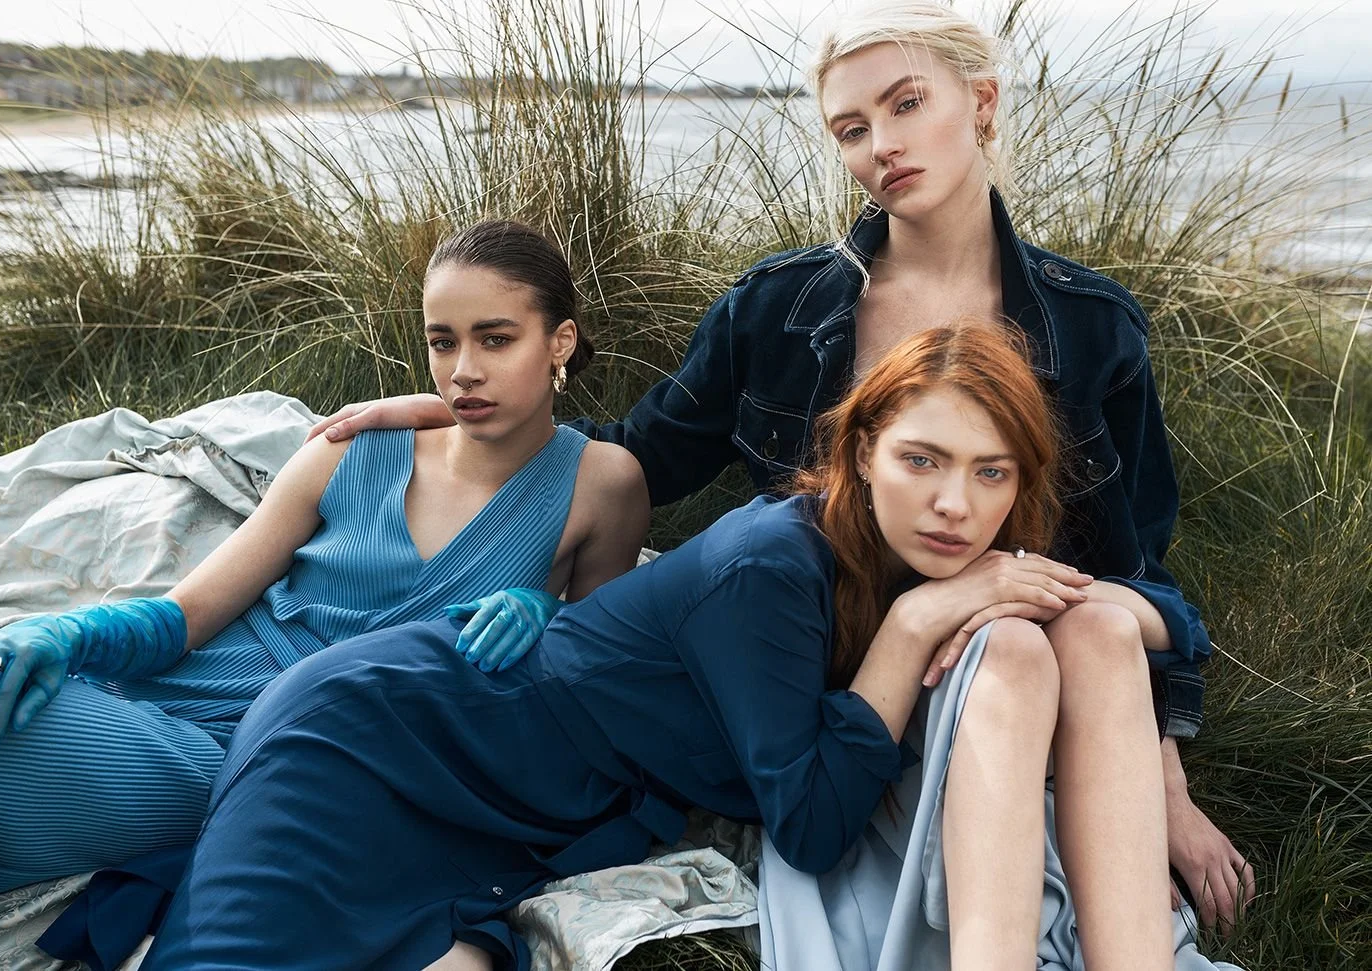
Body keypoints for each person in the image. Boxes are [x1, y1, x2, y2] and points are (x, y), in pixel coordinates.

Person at [308, 0, 1253, 929]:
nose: (880, 143)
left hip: (1018, 657)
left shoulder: (1089, 326)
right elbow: (636, 454)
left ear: (984, 103)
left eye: (906, 103)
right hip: (832, 689)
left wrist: (1163, 784)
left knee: (1084, 621)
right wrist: (464, 406)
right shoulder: (778, 306)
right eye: (851, 126)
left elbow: (1136, 572)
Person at [138, 323, 1190, 971]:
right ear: (864, 450)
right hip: (379, 736)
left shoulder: (941, 534)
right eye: (923, 458)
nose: (958, 503)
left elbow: (1166, 620)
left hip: (532, 802)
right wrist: (913, 625)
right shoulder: (772, 567)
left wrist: (1101, 609)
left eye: (992, 473)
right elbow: (815, 825)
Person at [0, 219, 649, 971]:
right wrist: (65, 637)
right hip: (160, 718)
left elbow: (600, 677)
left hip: (280, 766)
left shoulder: (602, 484)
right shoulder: (351, 451)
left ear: (561, 341)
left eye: (495, 338)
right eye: (443, 341)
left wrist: (549, 616)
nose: (463, 371)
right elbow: (187, 614)